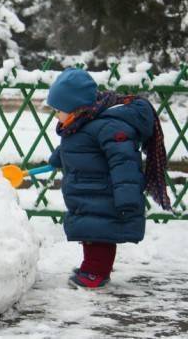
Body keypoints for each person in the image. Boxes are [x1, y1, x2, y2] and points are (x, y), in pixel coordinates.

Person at [46, 68, 171, 289]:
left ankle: (96, 273)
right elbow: (76, 147)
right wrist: (58, 158)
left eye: (58, 110)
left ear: (76, 107)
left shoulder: (108, 127)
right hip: (89, 193)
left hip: (104, 194)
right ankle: (92, 267)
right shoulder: (81, 124)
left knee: (100, 235)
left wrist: (127, 198)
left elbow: (124, 163)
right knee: (91, 232)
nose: (56, 115)